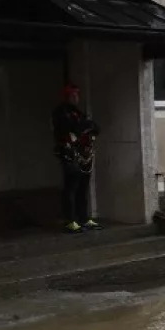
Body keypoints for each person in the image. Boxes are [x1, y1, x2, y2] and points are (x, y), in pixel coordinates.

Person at [52, 83, 101, 233]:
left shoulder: (78, 113)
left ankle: (83, 218)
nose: (76, 98)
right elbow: (72, 128)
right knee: (71, 187)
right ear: (67, 96)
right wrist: (82, 127)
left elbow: (95, 128)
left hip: (83, 155)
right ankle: (70, 220)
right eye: (73, 95)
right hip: (69, 154)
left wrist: (84, 126)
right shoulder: (61, 112)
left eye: (77, 95)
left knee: (83, 187)